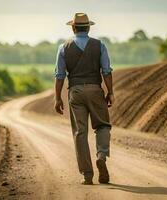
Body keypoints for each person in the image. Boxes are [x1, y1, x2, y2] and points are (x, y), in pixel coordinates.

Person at [54, 13, 115, 185]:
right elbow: (107, 71)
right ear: (88, 28)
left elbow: (59, 76)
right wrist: (110, 92)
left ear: (73, 28)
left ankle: (87, 175)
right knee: (102, 125)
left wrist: (57, 98)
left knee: (80, 133)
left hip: (75, 92)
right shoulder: (100, 45)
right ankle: (101, 156)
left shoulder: (63, 48)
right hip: (95, 89)